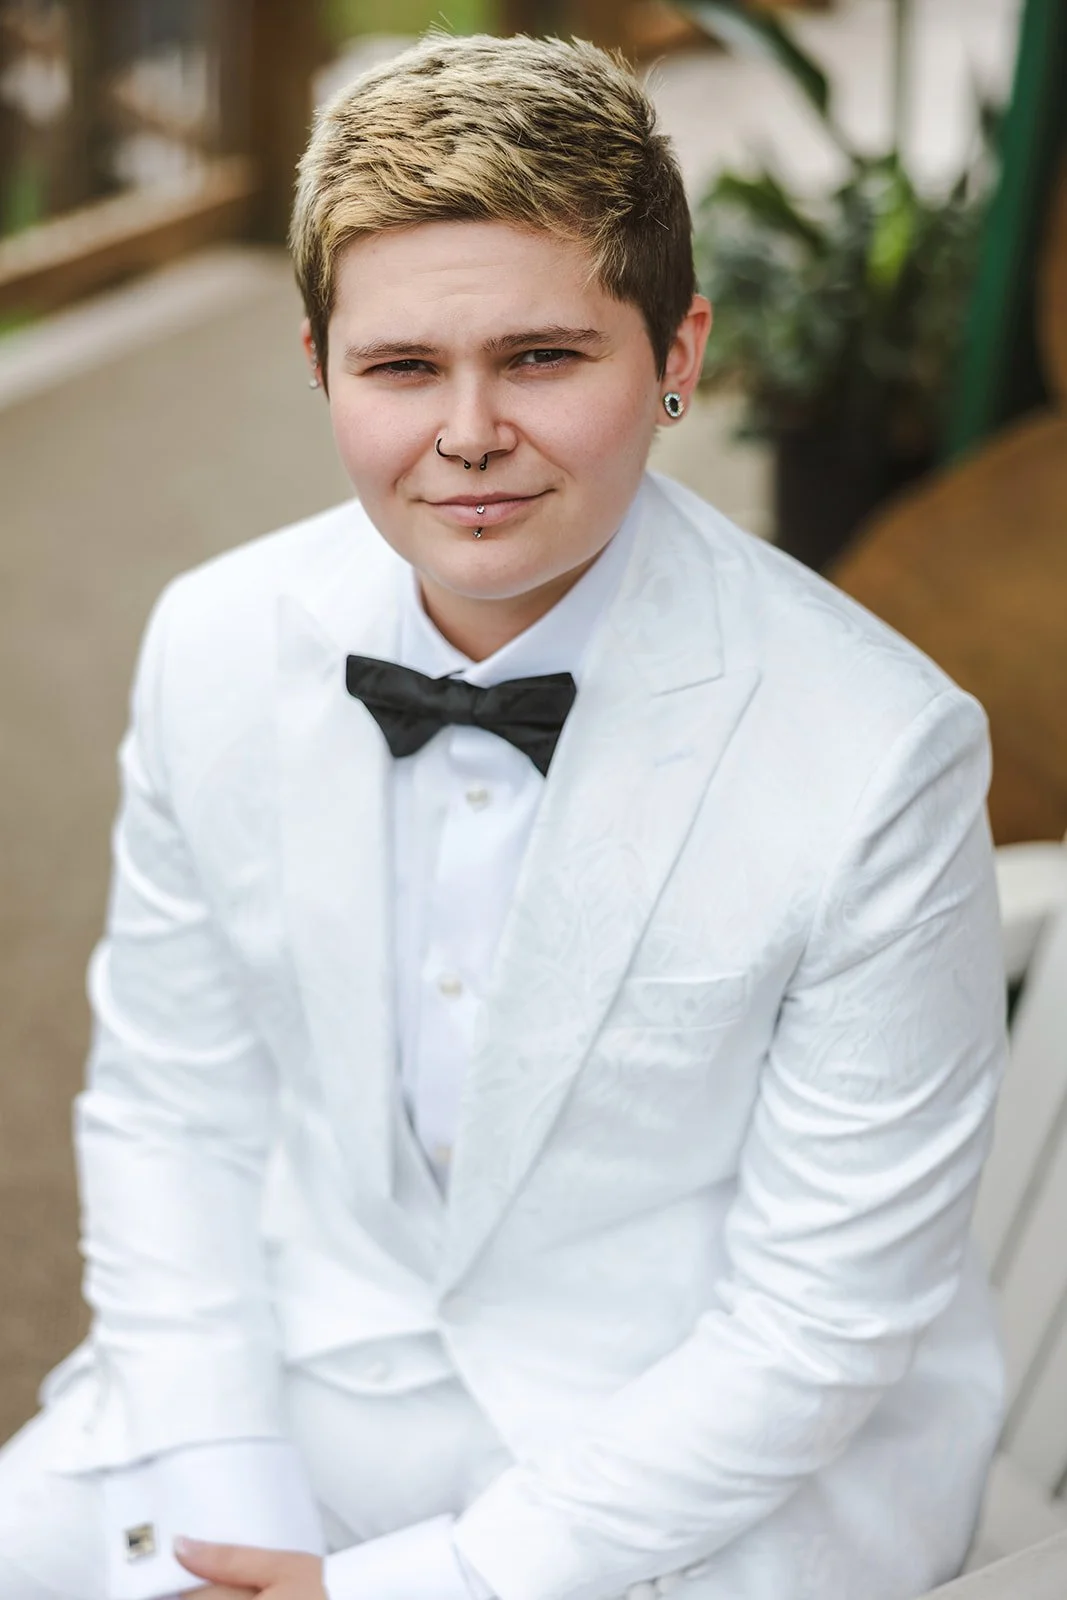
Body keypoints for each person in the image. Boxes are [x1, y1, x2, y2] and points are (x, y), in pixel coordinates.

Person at [0, 31, 1007, 1600]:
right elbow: (170, 1111)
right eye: (402, 366)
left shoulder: (880, 751)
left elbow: (821, 1321)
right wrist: (231, 1497)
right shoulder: (211, 638)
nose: (466, 431)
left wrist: (416, 1586)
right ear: (320, 366)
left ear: (677, 355)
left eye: (540, 357)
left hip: (702, 1447)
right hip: (312, 1373)